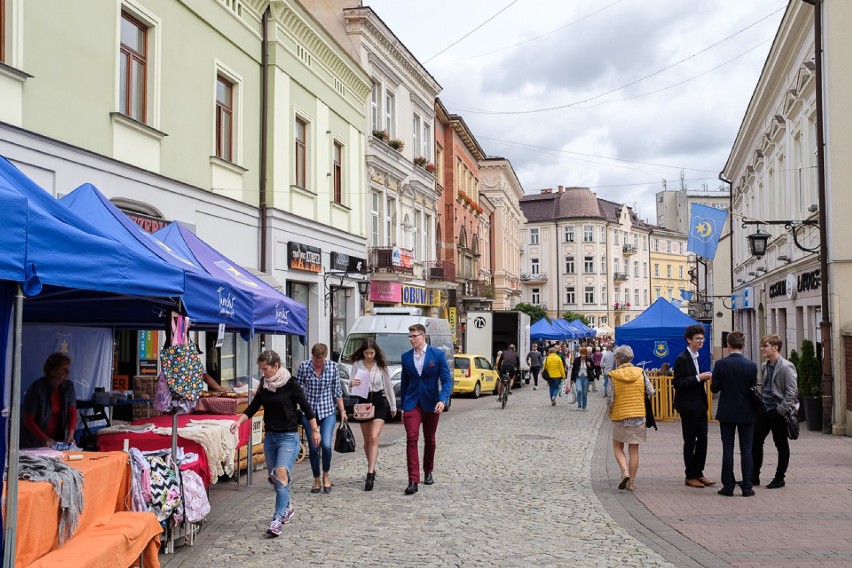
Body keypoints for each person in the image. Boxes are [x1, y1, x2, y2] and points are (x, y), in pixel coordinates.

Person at [231, 350, 320, 536]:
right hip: (270, 437)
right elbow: (254, 406)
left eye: (265, 369)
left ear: (276, 366)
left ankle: (277, 519)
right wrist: (239, 422)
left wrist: (315, 430)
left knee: (280, 474)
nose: (262, 373)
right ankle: (288, 505)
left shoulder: (291, 384)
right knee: (275, 479)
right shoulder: (265, 385)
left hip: (288, 437)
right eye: (261, 369)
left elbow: (306, 407)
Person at [399, 324, 452, 495]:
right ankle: (413, 480)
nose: (411, 339)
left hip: (431, 403)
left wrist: (443, 400)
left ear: (423, 336)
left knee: (430, 439)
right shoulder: (406, 357)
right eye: (410, 336)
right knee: (412, 438)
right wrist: (402, 408)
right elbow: (405, 383)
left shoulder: (437, 355)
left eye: (414, 336)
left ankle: (428, 470)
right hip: (412, 403)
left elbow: (446, 380)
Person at [710, 331, 758, 497]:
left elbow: (714, 389)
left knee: (727, 448)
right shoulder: (751, 365)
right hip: (747, 411)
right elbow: (753, 389)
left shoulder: (721, 364)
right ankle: (747, 487)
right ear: (743, 346)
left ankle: (728, 486)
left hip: (727, 411)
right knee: (746, 449)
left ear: (728, 345)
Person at [295, 343, 347, 494]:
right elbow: (298, 389)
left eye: (321, 360)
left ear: (325, 357)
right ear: (312, 357)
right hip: (309, 412)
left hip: (327, 411)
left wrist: (342, 410)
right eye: (316, 360)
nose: (318, 363)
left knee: (326, 445)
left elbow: (337, 391)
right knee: (313, 446)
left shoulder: (332, 367)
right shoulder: (304, 367)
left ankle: (326, 474)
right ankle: (316, 478)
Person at [347, 338, 397, 491]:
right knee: (367, 440)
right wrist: (352, 384)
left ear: (376, 352)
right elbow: (350, 385)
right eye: (367, 353)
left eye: (372, 353)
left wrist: (393, 405)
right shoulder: (357, 364)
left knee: (374, 437)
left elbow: (388, 385)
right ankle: (372, 466)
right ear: (363, 352)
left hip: (378, 400)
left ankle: (370, 473)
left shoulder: (381, 365)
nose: (369, 356)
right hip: (363, 401)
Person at [752, 334, 799, 489]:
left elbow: (792, 393)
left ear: (775, 347)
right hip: (764, 410)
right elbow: (765, 387)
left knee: (781, 444)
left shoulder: (786, 366)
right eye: (762, 346)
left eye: (765, 346)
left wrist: (781, 410)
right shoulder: (765, 366)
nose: (762, 349)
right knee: (755, 442)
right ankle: (754, 476)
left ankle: (780, 477)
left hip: (778, 412)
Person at [673, 324, 716, 488]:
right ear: (689, 340)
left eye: (702, 338)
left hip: (700, 405)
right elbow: (678, 383)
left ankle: (699, 472)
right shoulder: (682, 358)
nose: (701, 341)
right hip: (688, 406)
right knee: (690, 441)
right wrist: (699, 378)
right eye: (697, 338)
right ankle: (690, 475)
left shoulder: (696, 356)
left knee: (703, 439)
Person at [608, 345, 655, 491]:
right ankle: (632, 482)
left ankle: (624, 471)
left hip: (620, 415)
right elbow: (651, 391)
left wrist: (609, 413)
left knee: (617, 446)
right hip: (638, 415)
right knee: (634, 449)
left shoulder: (614, 375)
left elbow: (610, 398)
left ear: (618, 359)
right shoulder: (640, 373)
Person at [22, 352, 78, 449]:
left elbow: (72, 412)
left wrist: (70, 435)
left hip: (57, 438)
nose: (68, 372)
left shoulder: (68, 387)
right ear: (52, 371)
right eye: (64, 370)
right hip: (36, 440)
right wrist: (43, 438)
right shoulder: (36, 389)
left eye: (68, 369)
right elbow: (28, 420)